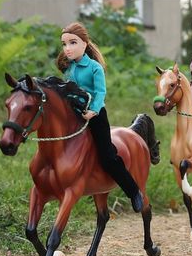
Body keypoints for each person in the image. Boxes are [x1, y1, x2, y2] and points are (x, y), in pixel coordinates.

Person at [56, 22, 144, 212]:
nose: (67, 48)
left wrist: (93, 111)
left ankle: (133, 191)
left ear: (85, 44)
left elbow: (100, 92)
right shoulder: (69, 69)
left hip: (95, 115)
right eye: (64, 44)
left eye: (72, 43)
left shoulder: (94, 68)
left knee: (107, 156)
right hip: (73, 116)